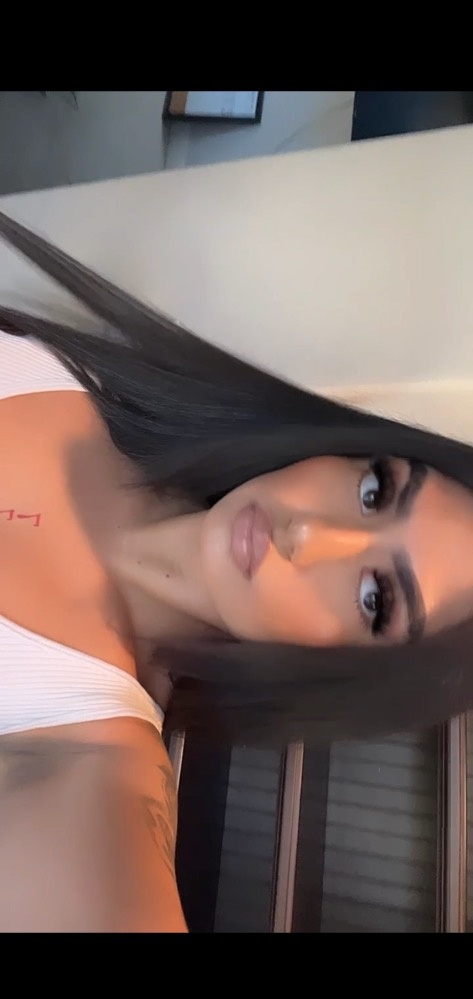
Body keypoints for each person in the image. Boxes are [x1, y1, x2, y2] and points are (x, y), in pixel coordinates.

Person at [0, 196, 473, 931]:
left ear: (348, 671)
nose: (308, 534)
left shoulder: (94, 765)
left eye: (375, 599)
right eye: (374, 491)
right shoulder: (101, 378)